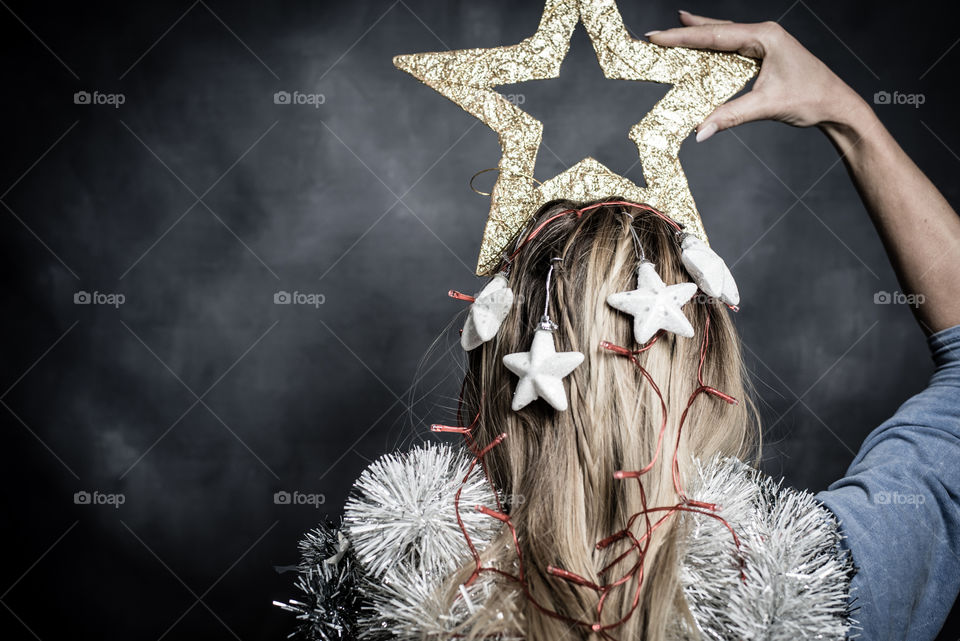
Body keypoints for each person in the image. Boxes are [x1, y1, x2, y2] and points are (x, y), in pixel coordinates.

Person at [279, 10, 960, 641]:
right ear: (710, 369)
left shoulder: (379, 603)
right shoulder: (824, 593)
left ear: (488, 375)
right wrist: (849, 117)